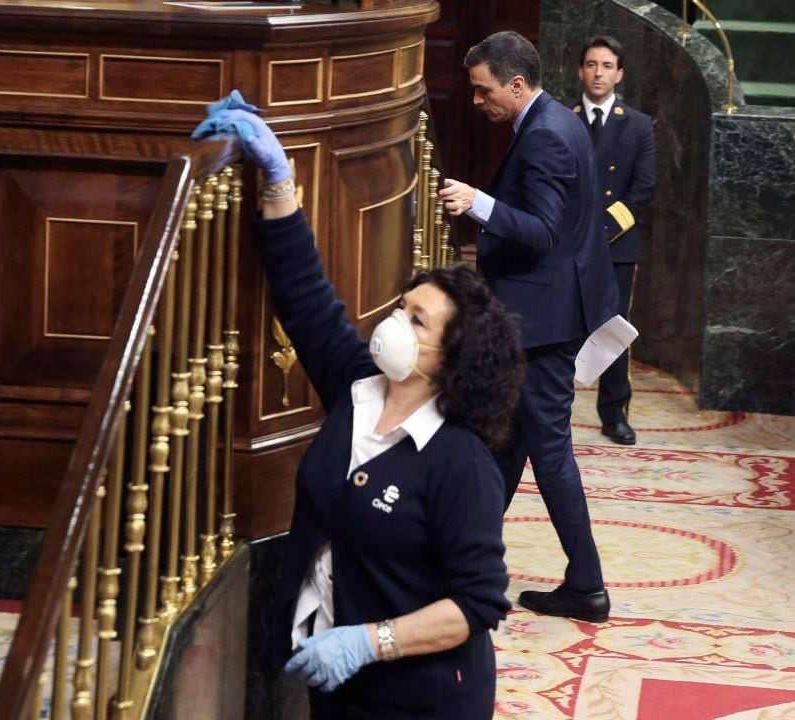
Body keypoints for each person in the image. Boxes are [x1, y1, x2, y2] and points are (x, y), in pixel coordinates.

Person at [192, 95, 525, 718]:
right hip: (336, 685)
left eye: (416, 319)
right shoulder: (357, 386)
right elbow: (306, 295)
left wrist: (370, 642)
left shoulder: (460, 461)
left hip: (420, 699)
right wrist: (278, 178)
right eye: (403, 306)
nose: (397, 321)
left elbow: (477, 604)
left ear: (451, 358)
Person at [436, 31, 618, 622]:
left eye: (483, 90)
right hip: (547, 311)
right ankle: (467, 562)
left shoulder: (545, 136)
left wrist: (478, 202)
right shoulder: (555, 122)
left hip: (544, 321)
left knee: (548, 450)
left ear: (517, 85)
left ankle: (587, 584)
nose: (476, 101)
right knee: (509, 442)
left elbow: (541, 230)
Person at [573, 34, 656, 446]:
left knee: (613, 329)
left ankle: (614, 412)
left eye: (606, 66)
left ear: (619, 73)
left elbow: (642, 189)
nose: (598, 72)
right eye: (591, 64)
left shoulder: (639, 125)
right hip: (566, 244)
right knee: (560, 326)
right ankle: (551, 409)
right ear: (580, 71)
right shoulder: (563, 119)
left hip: (615, 244)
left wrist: (602, 230)